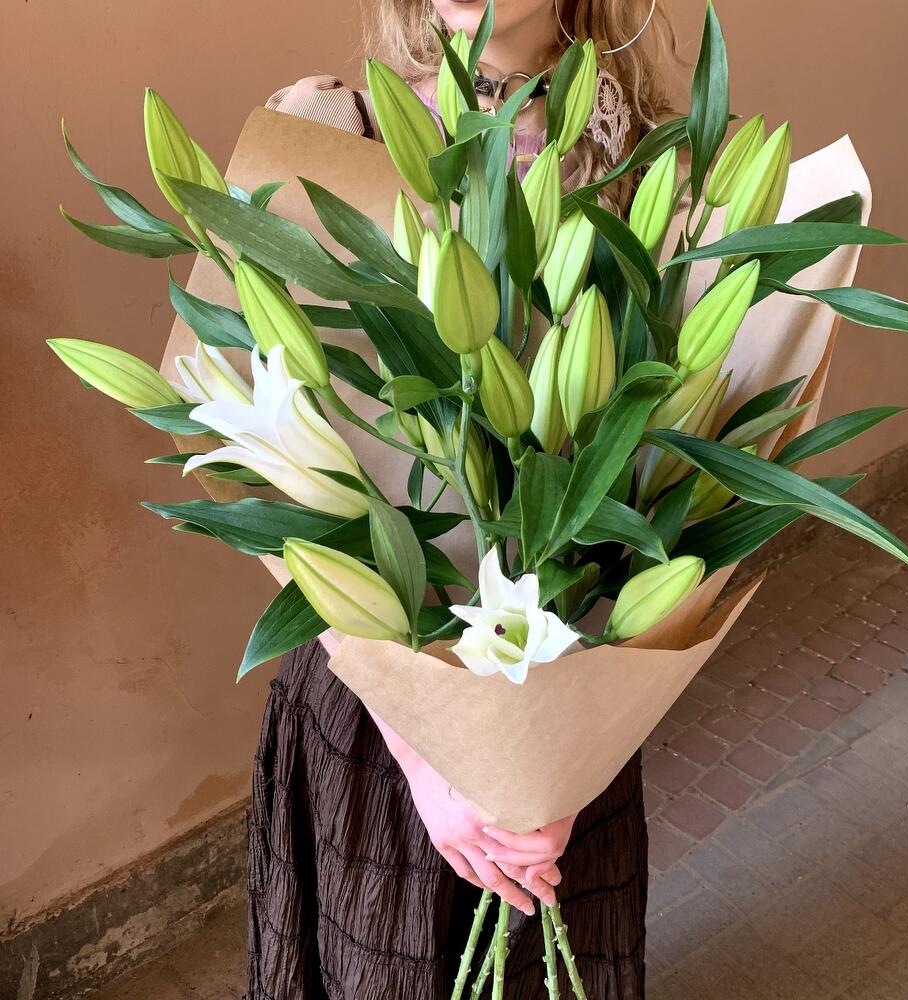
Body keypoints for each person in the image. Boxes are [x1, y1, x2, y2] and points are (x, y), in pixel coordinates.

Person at [248, 2, 681, 996]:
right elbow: (281, 471)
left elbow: (672, 466)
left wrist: (559, 764)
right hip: (375, 699)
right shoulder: (332, 131)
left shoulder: (660, 167)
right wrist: (432, 755)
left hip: (567, 693)